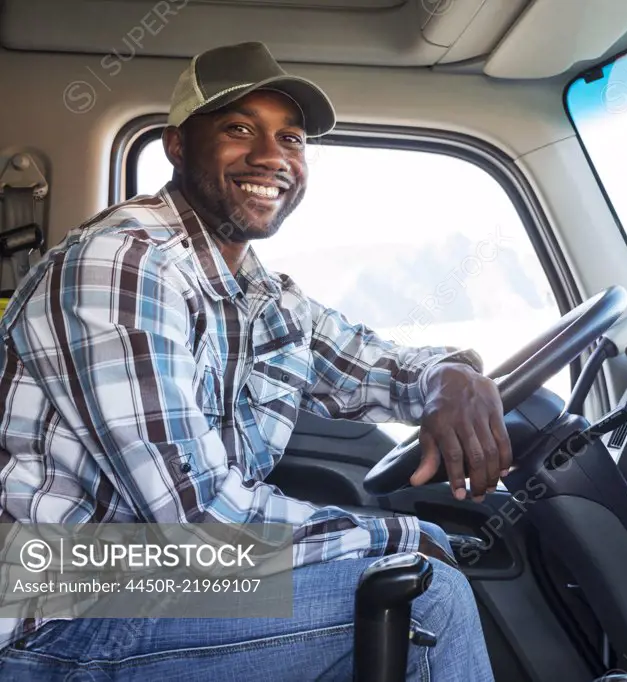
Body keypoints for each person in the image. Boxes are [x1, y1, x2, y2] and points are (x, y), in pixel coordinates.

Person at [0, 41, 509, 680]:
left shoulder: (260, 293)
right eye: (241, 129)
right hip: (60, 602)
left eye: (291, 139)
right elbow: (201, 523)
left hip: (153, 580)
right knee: (425, 593)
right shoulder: (122, 266)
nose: (272, 157)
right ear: (177, 146)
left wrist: (448, 376)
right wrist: (405, 535)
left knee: (395, 577)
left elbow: (366, 363)